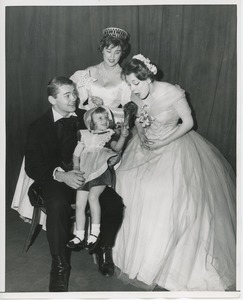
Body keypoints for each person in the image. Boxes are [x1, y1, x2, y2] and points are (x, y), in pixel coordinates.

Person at [113, 54, 236, 291]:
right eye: (129, 84)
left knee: (165, 190)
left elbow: (188, 123)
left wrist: (163, 142)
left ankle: (164, 261)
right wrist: (143, 134)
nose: (133, 89)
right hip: (145, 146)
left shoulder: (173, 93)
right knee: (126, 180)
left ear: (148, 76)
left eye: (136, 83)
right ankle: (131, 254)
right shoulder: (135, 94)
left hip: (174, 145)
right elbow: (139, 120)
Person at [24, 76, 124, 292]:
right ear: (52, 99)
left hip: (88, 178)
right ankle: (60, 266)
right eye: (67, 95)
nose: (74, 98)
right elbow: (31, 166)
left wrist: (109, 157)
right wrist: (61, 175)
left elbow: (106, 139)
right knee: (58, 205)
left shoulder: (86, 117)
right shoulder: (37, 126)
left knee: (115, 204)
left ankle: (103, 247)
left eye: (74, 93)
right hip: (56, 180)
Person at [67, 106, 129, 251]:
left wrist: (124, 136)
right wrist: (76, 167)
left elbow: (117, 147)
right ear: (91, 122)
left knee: (93, 198)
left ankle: (94, 233)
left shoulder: (109, 134)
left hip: (100, 171)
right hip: (84, 171)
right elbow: (76, 154)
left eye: (106, 118)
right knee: (80, 203)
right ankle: (79, 235)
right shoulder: (83, 135)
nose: (105, 120)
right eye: (100, 118)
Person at [70, 27, 131, 124]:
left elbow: (128, 112)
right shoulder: (89, 72)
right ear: (102, 50)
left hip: (112, 125)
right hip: (86, 122)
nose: (112, 57)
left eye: (117, 52)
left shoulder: (125, 78)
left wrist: (104, 108)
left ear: (122, 54)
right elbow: (73, 102)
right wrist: (89, 103)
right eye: (109, 51)